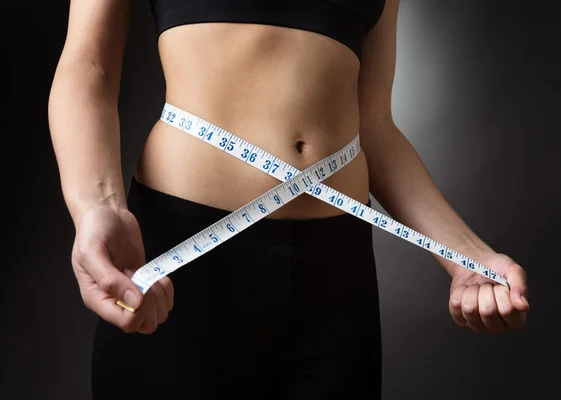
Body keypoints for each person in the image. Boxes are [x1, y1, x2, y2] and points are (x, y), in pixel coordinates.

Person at [48, 0, 530, 399]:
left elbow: (374, 125)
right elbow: (88, 65)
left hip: (337, 280)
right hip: (181, 261)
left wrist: (466, 255)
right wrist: (97, 207)